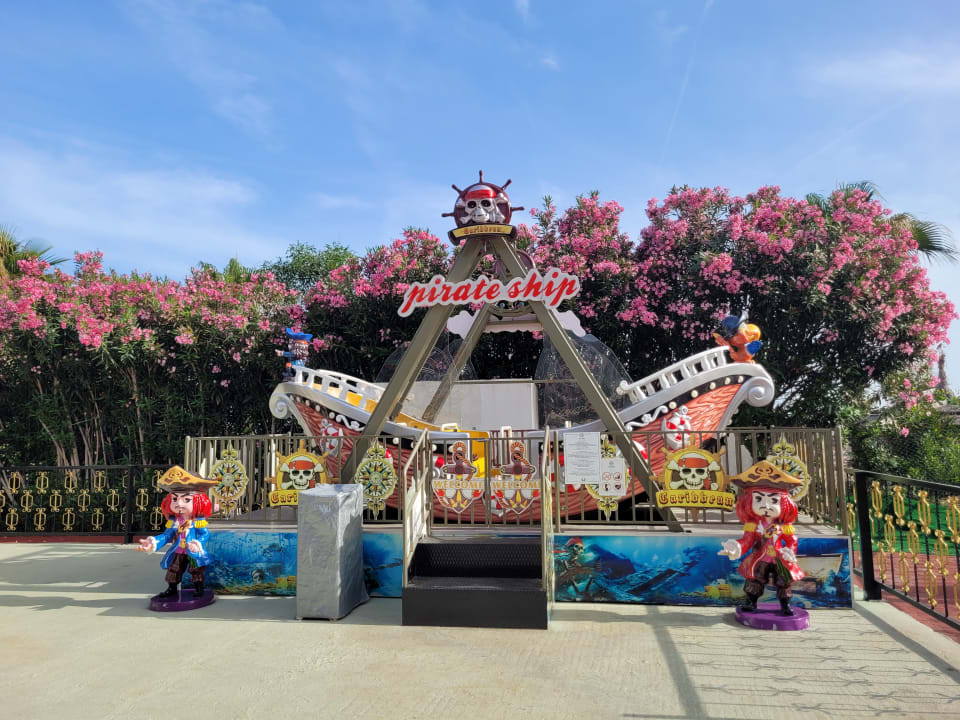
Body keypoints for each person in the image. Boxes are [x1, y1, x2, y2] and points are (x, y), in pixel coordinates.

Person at [718, 461, 804, 616]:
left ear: (784, 503)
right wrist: (736, 547)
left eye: (773, 500)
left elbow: (792, 541)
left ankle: (785, 604)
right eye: (758, 499)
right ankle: (751, 602)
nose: (766, 505)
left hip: (779, 557)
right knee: (755, 579)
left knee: (784, 581)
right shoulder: (753, 525)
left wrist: (789, 551)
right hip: (760, 557)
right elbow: (747, 541)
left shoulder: (784, 526)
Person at [138, 466, 218, 599]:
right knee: (174, 568)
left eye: (186, 499)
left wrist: (197, 543)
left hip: (192, 551)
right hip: (179, 550)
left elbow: (205, 534)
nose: (179, 504)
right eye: (175, 499)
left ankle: (199, 588)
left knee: (196, 569)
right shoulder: (175, 521)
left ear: (199, 501)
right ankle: (172, 589)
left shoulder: (197, 521)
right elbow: (167, 535)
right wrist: (153, 542)